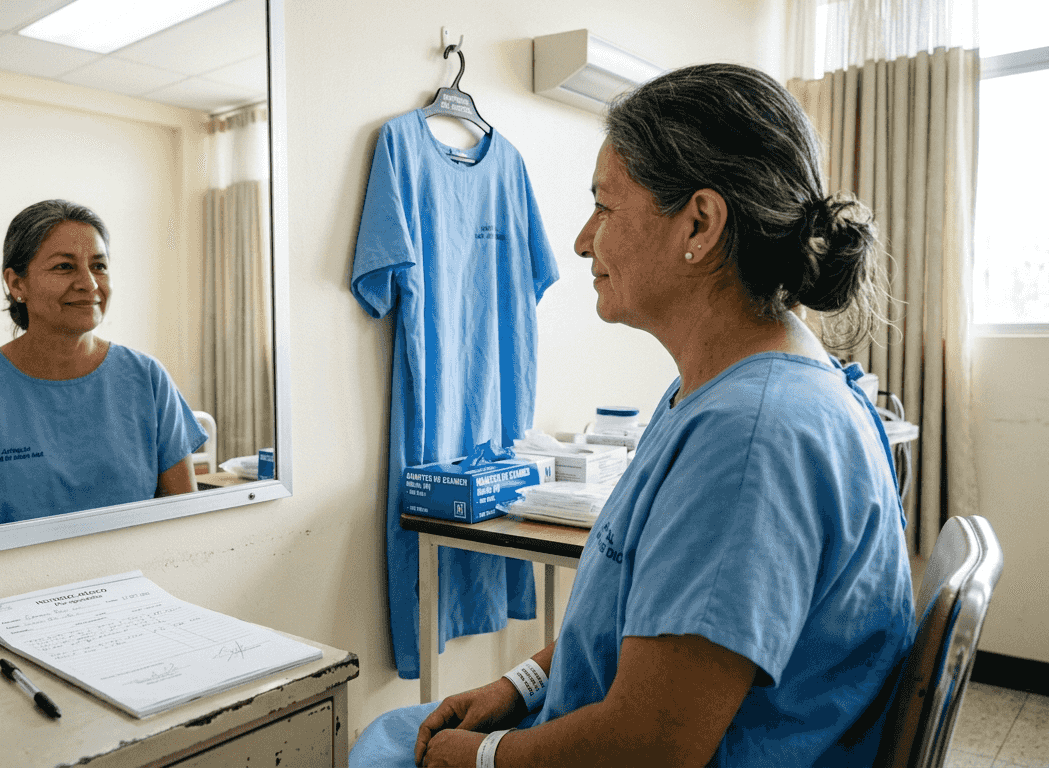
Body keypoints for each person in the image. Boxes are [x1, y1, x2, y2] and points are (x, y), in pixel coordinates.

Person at [350, 63, 914, 767]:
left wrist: (482, 758)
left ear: (699, 224)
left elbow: (652, 746)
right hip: (597, 724)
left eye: (605, 208)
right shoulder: (720, 393)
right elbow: (635, 619)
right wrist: (519, 685)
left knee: (381, 746)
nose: (583, 240)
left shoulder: (749, 440)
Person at [0, 199, 207, 528]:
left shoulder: (147, 378)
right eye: (64, 267)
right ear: (17, 283)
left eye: (99, 266)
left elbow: (185, 523)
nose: (89, 284)